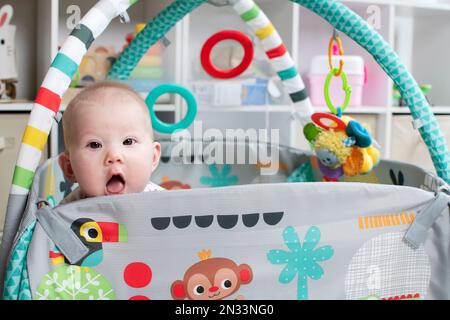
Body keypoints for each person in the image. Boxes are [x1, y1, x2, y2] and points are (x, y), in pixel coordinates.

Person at [58, 82, 163, 205]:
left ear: (153, 157)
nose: (114, 156)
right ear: (69, 168)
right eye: (94, 145)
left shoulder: (165, 205)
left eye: (128, 141)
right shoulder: (66, 214)